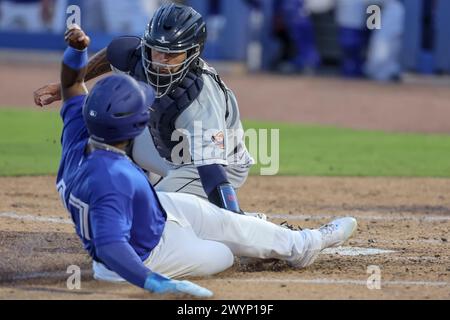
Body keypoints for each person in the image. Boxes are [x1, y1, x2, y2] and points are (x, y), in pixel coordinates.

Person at [55, 23, 358, 298]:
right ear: (135, 127)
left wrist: (77, 51)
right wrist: (155, 283)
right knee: (223, 253)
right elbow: (110, 247)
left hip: (150, 215)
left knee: (214, 216)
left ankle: (304, 243)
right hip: (146, 255)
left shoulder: (79, 134)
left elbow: (71, 86)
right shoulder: (115, 178)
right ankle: (256, 234)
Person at [35, 3, 257, 217]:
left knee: (150, 215)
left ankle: (253, 222)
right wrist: (76, 79)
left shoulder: (200, 99)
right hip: (166, 150)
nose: (160, 60)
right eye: (156, 50)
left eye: (171, 54)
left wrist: (236, 221)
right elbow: (115, 53)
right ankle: (143, 183)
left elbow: (213, 174)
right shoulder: (138, 57)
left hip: (216, 164)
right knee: (114, 129)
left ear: (192, 53)